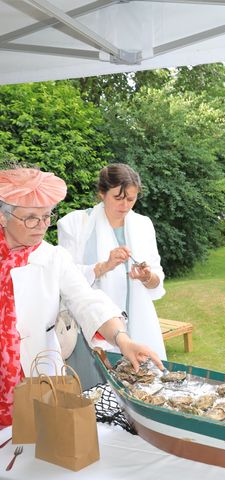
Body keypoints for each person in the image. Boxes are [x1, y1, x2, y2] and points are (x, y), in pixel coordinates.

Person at [0, 166, 162, 426]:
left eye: (45, 217)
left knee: (34, 442)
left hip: (35, 374)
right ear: (3, 217)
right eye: (31, 218)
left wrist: (123, 340)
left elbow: (87, 300)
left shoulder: (53, 258)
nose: (41, 226)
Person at [58, 164, 166, 386]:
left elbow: (157, 279)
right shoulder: (75, 224)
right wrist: (103, 266)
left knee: (144, 390)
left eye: (131, 199)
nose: (125, 205)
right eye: (118, 198)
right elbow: (64, 278)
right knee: (97, 396)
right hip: (92, 330)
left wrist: (147, 277)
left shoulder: (143, 225)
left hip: (140, 324)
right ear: (101, 193)